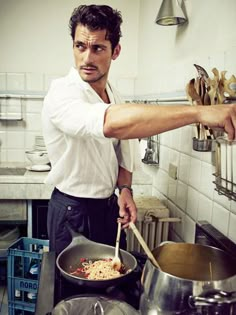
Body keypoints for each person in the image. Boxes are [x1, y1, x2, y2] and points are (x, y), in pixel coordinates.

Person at [42, 4, 236, 256]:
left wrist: (125, 190)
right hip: (72, 210)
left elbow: (125, 148)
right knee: (73, 292)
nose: (87, 58)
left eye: (98, 48)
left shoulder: (115, 96)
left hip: (107, 206)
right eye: (80, 46)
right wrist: (199, 112)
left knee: (109, 281)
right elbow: (110, 124)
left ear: (116, 51)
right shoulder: (62, 92)